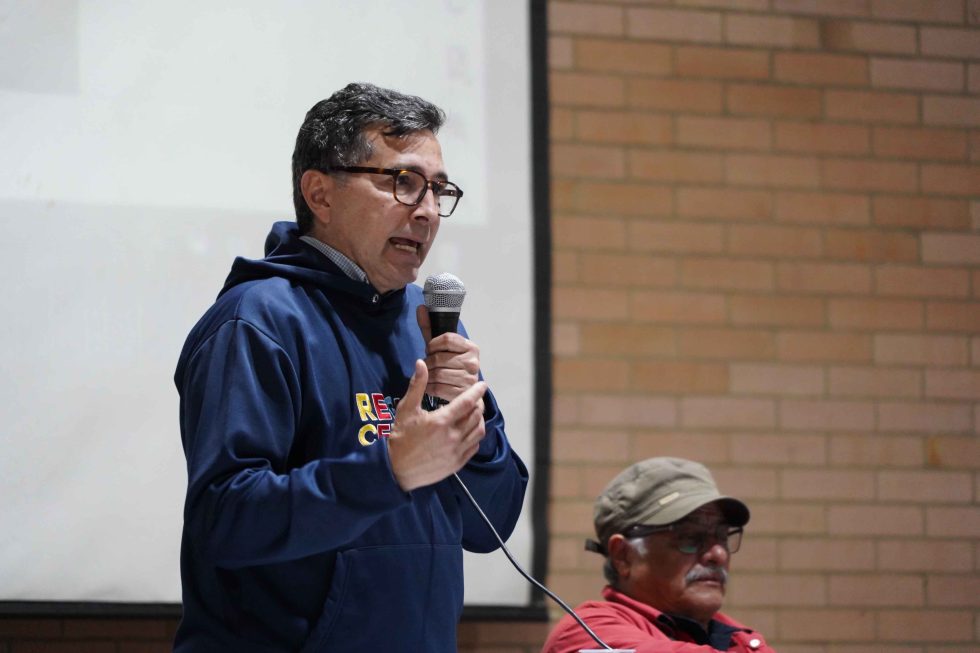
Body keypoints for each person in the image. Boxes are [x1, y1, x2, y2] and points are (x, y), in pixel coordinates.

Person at [173, 82, 528, 652]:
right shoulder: (257, 322)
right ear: (320, 194)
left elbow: (492, 525)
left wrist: (476, 431)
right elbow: (226, 519)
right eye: (403, 182)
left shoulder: (432, 327)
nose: (427, 211)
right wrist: (389, 469)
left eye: (439, 190)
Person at [542, 457, 774, 653]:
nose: (718, 554)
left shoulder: (741, 640)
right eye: (690, 537)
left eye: (722, 536)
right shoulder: (587, 634)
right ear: (623, 556)